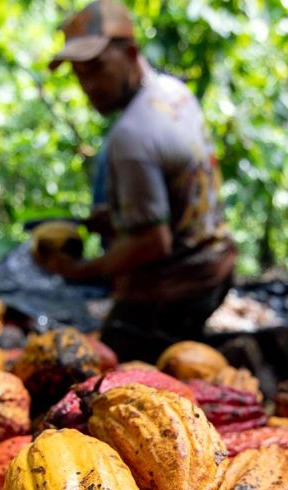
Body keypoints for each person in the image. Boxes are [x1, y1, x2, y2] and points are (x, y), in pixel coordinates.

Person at [42, 0, 237, 362]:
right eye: (79, 73)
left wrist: (81, 271)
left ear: (130, 52)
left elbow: (153, 242)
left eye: (97, 68)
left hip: (178, 284)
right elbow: (178, 193)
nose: (88, 85)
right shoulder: (173, 92)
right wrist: (114, 217)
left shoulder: (131, 135)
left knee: (105, 367)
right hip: (218, 265)